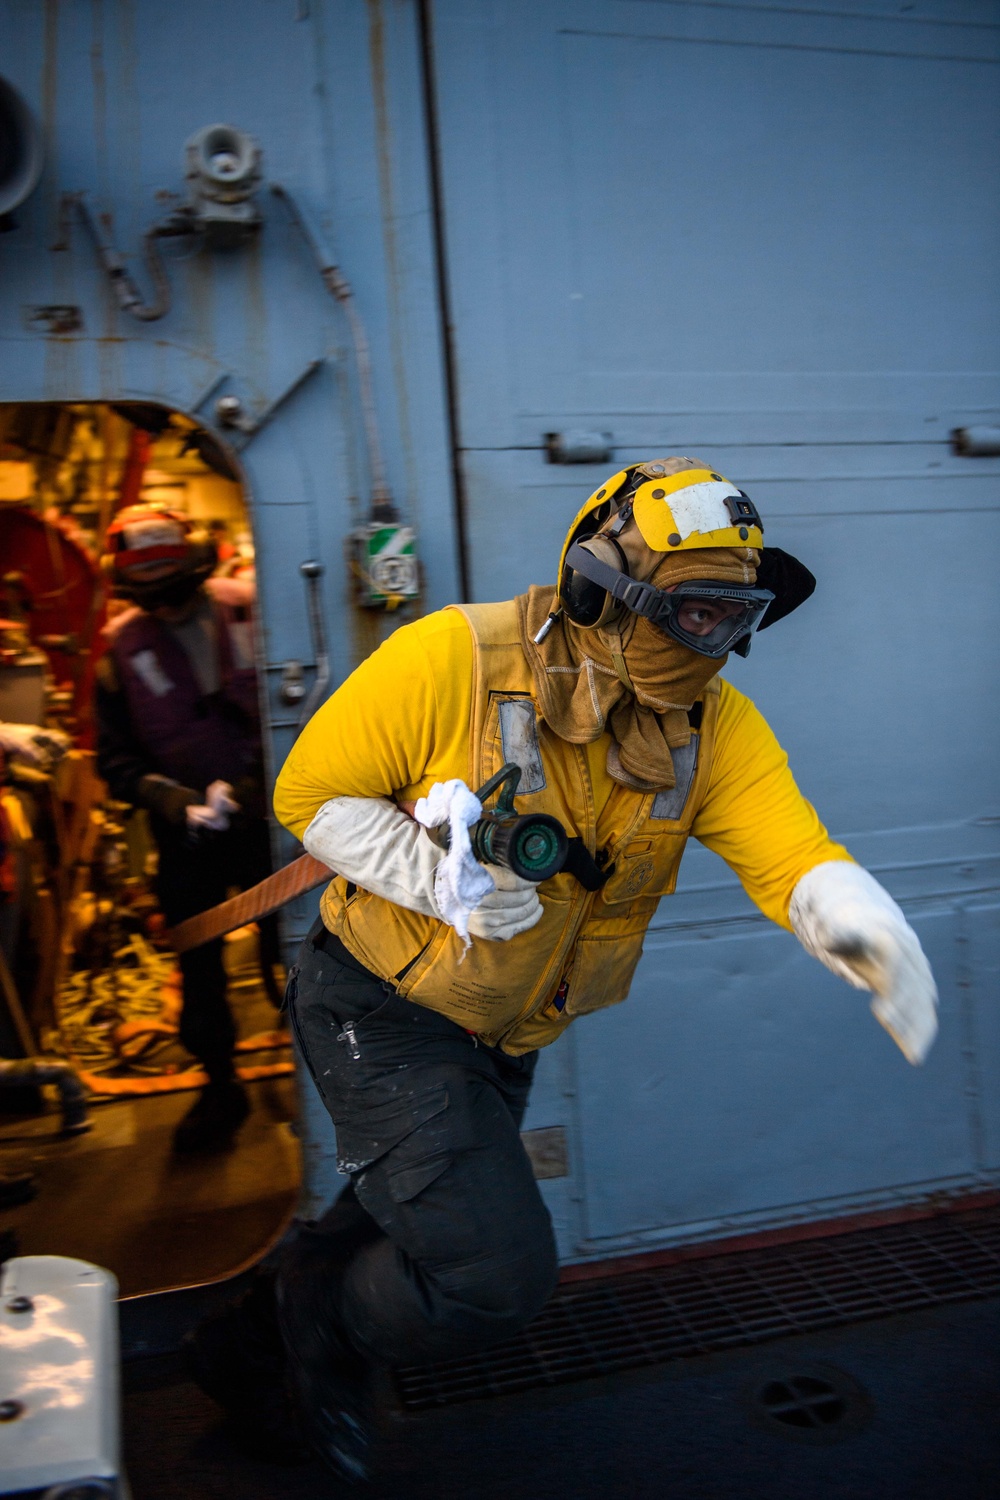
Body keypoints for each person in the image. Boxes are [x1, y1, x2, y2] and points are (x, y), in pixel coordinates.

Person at [191, 458, 938, 1479]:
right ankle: (316, 1327)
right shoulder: (450, 656)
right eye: (688, 613)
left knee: (397, 1204)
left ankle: (238, 1346)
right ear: (599, 590)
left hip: (507, 1023)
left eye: (733, 615)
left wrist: (853, 913)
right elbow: (312, 796)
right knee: (492, 1274)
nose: (709, 641)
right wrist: (432, 879)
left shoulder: (712, 725)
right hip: (384, 1005)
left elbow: (789, 851)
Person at [95, 504, 278, 1152]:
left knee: (298, 943)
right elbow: (112, 757)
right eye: (152, 598)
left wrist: (256, 786)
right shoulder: (119, 648)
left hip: (273, 819)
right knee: (197, 961)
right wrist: (173, 802)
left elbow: (308, 701)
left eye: (174, 592)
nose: (167, 609)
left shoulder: (256, 607)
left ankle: (317, 1063)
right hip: (186, 833)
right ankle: (219, 1082)